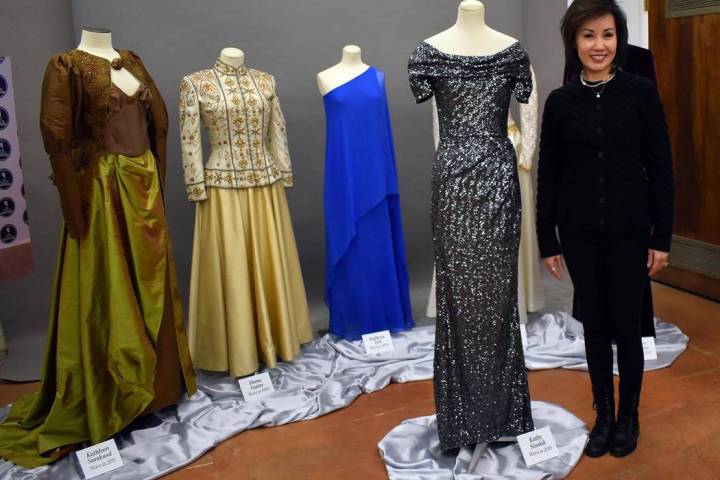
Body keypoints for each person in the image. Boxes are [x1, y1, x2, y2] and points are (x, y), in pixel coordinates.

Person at [536, 0, 673, 458]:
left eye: (608, 35)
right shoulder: (560, 102)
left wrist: (662, 237)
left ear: (620, 39)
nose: (599, 45)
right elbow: (548, 173)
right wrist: (547, 239)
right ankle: (604, 414)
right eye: (589, 36)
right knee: (594, 325)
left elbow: (661, 168)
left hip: (630, 231)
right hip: (577, 233)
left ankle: (629, 415)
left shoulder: (640, 93)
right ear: (574, 42)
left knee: (627, 325)